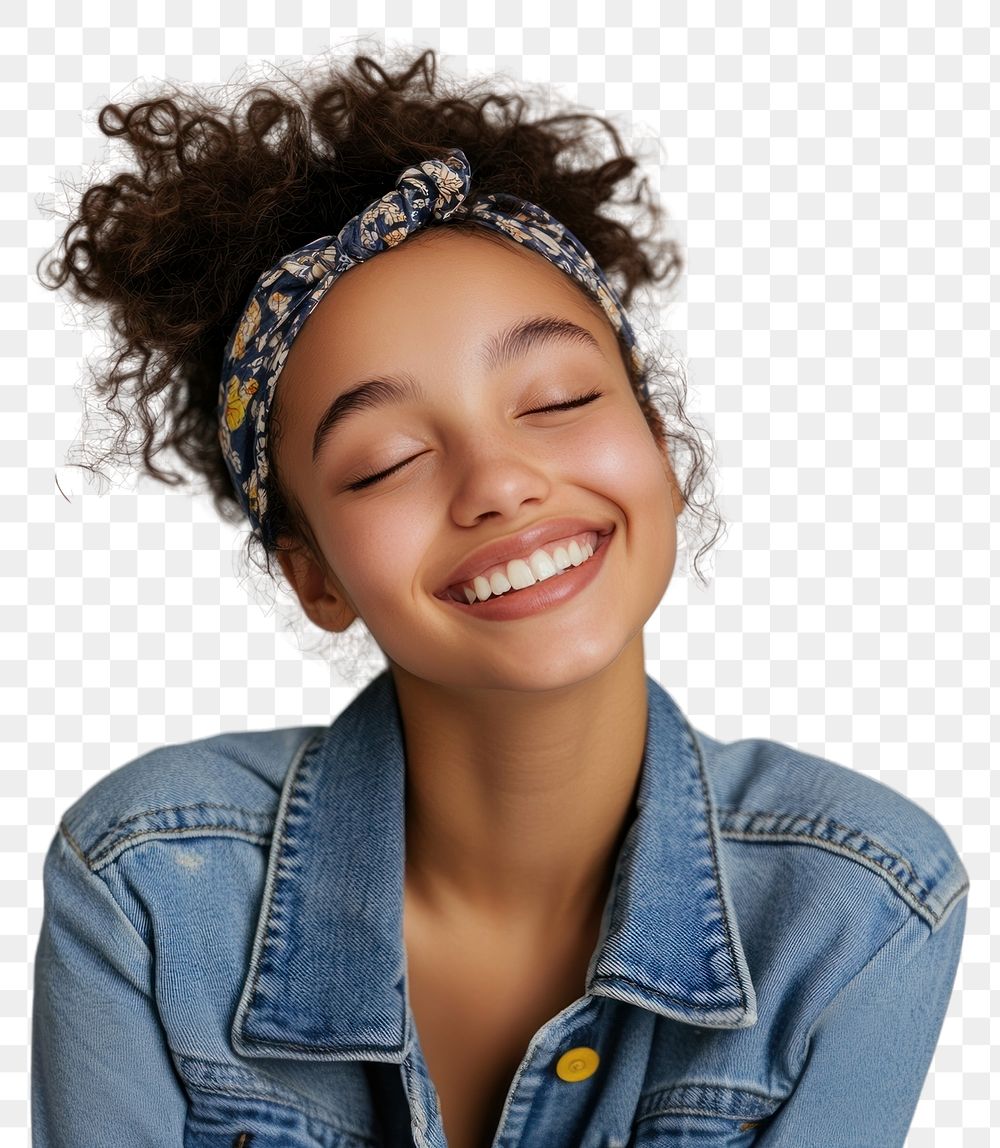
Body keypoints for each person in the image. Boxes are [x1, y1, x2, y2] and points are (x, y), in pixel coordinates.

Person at [30, 45, 968, 1148]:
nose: (499, 482)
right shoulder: (150, 882)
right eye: (383, 461)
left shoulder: (859, 903)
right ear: (314, 574)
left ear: (660, 449)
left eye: (560, 397)